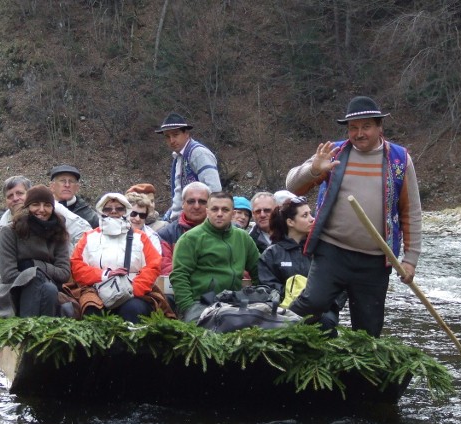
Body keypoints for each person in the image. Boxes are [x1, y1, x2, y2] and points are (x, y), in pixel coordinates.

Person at [285, 95, 422, 337]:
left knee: (368, 328)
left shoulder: (399, 160)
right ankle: (276, 338)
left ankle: (359, 370)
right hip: (332, 251)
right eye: (353, 128)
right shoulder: (334, 153)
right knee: (312, 304)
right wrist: (315, 169)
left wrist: (410, 259)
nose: (359, 133)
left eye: (366, 126)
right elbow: (293, 185)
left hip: (375, 259)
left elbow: (410, 212)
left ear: (380, 127)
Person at [70, 193, 164, 323]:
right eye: (108, 209)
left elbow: (153, 265)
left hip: (133, 292)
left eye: (119, 208)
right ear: (101, 211)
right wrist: (104, 275)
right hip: (96, 290)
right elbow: (77, 266)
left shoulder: (140, 237)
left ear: (126, 211)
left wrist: (135, 288)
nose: (113, 212)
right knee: (91, 309)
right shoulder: (88, 237)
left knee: (133, 309)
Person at [257, 195, 343, 334]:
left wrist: (330, 304)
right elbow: (269, 288)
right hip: (286, 312)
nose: (312, 219)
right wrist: (297, 298)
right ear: (290, 222)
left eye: (310, 213)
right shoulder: (271, 254)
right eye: (305, 215)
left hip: (323, 312)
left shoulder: (321, 249)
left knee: (325, 324)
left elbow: (339, 282)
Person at [170, 192, 260, 322]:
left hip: (235, 303)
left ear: (233, 214)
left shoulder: (243, 238)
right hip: (200, 304)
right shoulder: (190, 238)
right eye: (214, 209)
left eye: (225, 209)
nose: (219, 213)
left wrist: (260, 298)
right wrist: (189, 308)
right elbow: (179, 276)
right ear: (207, 211)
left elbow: (259, 270)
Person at [0, 185, 71, 321]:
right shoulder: (9, 232)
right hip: (13, 291)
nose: (42, 210)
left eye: (47, 205)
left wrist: (33, 265)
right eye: (36, 205)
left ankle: (34, 330)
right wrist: (33, 274)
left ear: (53, 209)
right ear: (27, 207)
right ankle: (31, 327)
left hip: (50, 289)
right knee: (41, 284)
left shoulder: (59, 232)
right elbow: (8, 275)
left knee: (49, 289)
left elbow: (64, 273)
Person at [155, 113, 221, 222]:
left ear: (186, 133)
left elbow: (215, 190)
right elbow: (178, 195)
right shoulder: (179, 158)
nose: (171, 140)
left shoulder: (198, 153)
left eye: (175, 135)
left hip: (197, 221)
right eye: (167, 136)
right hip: (181, 220)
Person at [158, 181, 211, 275]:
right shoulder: (166, 234)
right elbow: (165, 269)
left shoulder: (226, 231)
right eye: (191, 201)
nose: (196, 206)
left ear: (210, 204)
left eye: (202, 202)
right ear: (183, 203)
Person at [0, 176, 31, 262]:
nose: (15, 199)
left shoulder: (45, 214)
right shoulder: (0, 229)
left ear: (30, 194)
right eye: (10, 196)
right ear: (5, 201)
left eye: (19, 193)